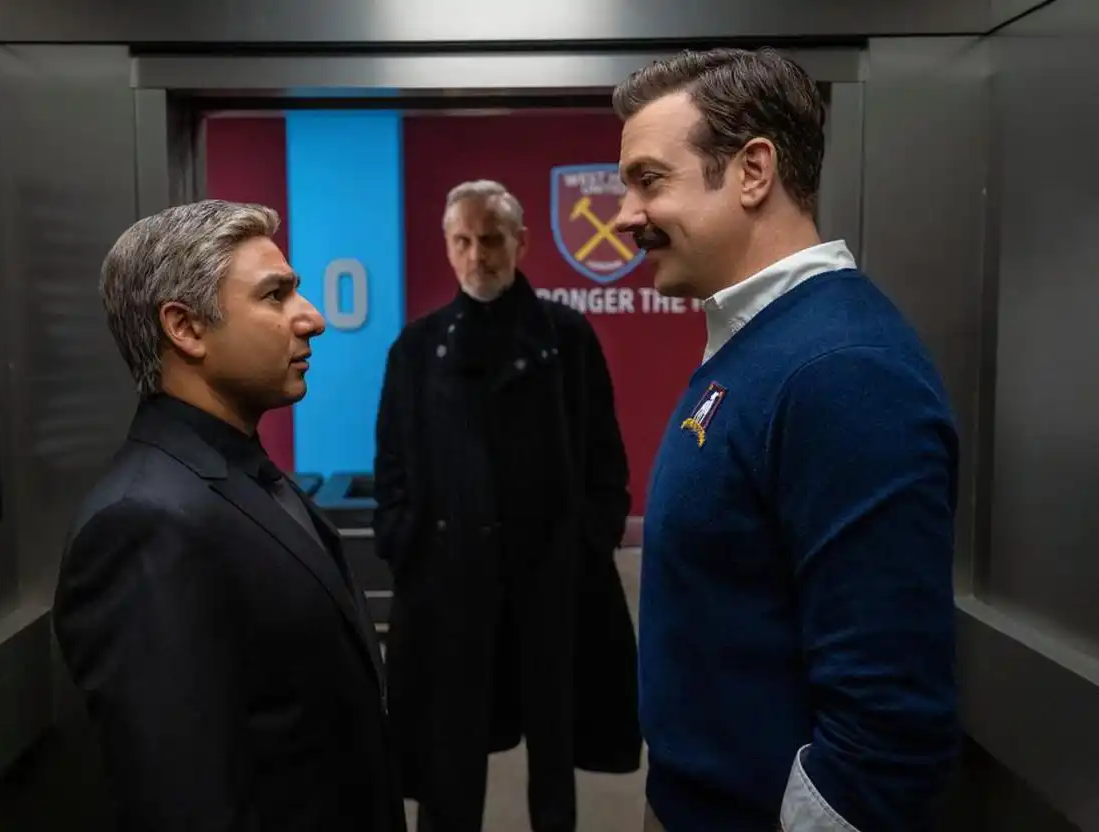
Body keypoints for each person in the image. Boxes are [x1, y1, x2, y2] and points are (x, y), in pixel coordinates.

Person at [612, 48, 960, 832]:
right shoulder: (766, 343)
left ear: (752, 171)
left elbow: (888, 728)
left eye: (649, 180)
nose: (627, 215)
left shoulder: (843, 370)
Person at [53, 200, 405, 832]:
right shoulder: (143, 524)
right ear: (185, 328)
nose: (313, 318)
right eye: (275, 295)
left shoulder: (236, 472)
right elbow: (185, 801)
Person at [373, 180, 641, 832]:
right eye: (461, 241)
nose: (476, 256)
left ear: (521, 243)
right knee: (448, 760)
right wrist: (405, 543)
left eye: (490, 240)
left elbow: (604, 457)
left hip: (550, 583)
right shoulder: (417, 349)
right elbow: (393, 466)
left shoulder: (567, 339)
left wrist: (588, 540)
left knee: (555, 753)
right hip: (450, 586)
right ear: (446, 245)